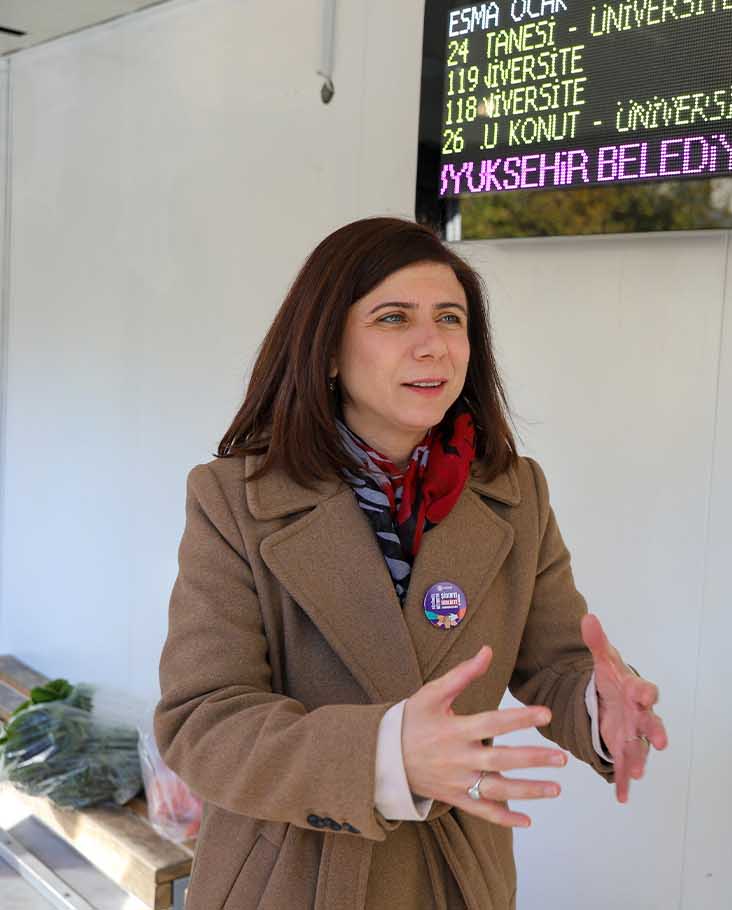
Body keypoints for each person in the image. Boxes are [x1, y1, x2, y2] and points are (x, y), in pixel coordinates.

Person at [155, 217, 668, 910]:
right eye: (393, 318)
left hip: (453, 880)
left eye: (450, 319)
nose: (432, 344)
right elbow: (203, 723)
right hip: (290, 880)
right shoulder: (232, 500)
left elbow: (556, 660)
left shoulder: (514, 493)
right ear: (328, 351)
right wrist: (384, 756)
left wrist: (597, 703)